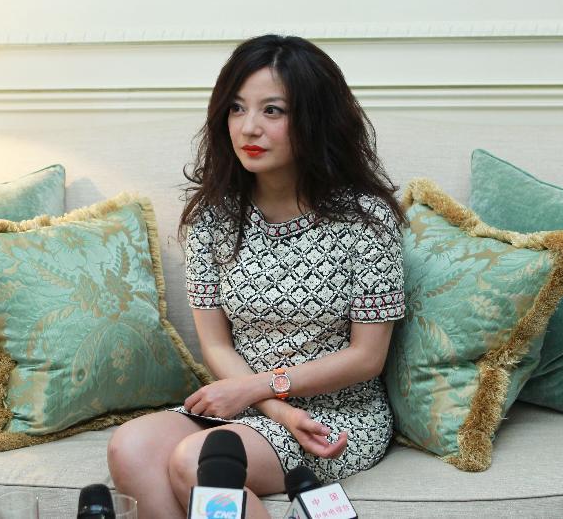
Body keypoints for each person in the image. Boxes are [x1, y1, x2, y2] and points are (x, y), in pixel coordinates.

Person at [107, 34, 405, 518]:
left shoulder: (365, 220)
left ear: (314, 118)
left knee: (193, 461)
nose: (249, 128)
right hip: (246, 404)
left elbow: (367, 357)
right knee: (130, 446)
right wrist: (269, 403)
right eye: (237, 109)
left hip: (335, 414)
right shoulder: (213, 219)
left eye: (273, 111)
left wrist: (265, 393)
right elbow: (218, 346)